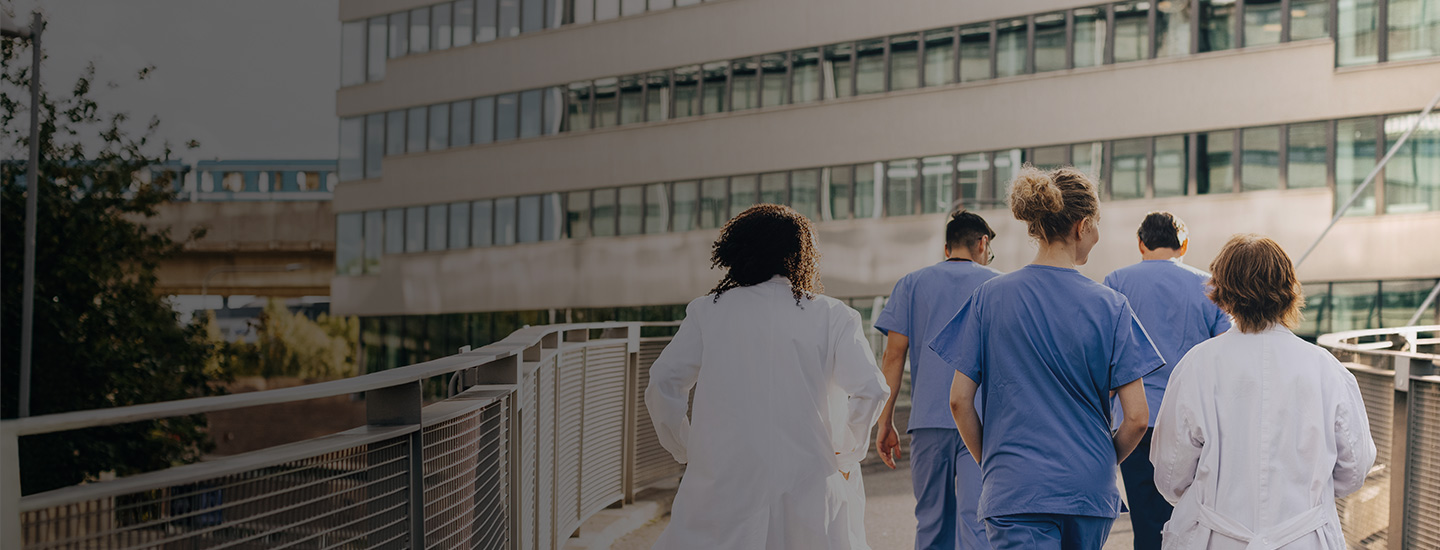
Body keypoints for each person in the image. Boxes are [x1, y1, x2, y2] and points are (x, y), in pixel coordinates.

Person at [929, 165, 1162, 550]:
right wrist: (1101, 461)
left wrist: (994, 463)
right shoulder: (1111, 306)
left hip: (1014, 488)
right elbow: (1137, 418)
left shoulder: (990, 298)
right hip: (1087, 489)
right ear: (1082, 225)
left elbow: (958, 400)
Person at [645, 204, 890, 550]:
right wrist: (843, 451)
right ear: (801, 255)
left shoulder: (707, 311)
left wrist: (687, 447)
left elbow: (663, 382)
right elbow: (872, 389)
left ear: (738, 252)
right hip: (810, 486)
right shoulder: (833, 315)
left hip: (722, 485)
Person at [1151, 235, 1376, 549]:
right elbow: (1355, 466)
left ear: (1222, 294)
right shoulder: (1327, 369)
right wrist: (1309, 497)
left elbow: (1171, 473)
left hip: (1216, 538)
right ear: (1288, 290)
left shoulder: (1197, 366)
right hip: (1304, 538)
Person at [1102, 212, 1231, 550]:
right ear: (1183, 244)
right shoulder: (1210, 287)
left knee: (1146, 524)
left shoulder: (1116, 282)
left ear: (1141, 243)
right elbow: (1228, 353)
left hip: (1135, 422)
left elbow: (1103, 356)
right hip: (1195, 422)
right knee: (1195, 518)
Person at [873, 211, 1001, 550]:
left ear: (947, 248)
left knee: (930, 524)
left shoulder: (911, 284)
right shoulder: (998, 285)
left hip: (928, 422)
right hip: (983, 425)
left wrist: (884, 420)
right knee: (978, 524)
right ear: (982, 243)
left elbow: (893, 356)